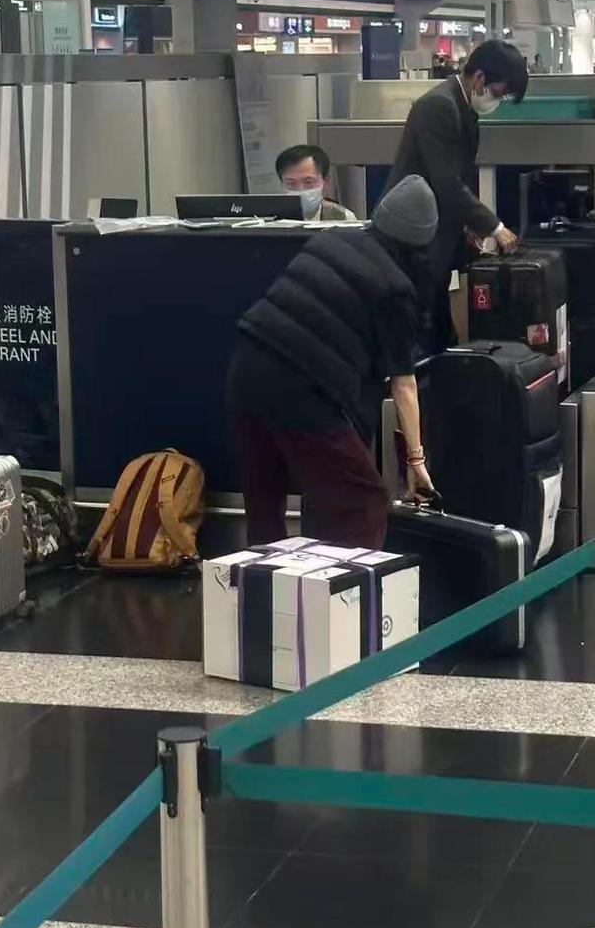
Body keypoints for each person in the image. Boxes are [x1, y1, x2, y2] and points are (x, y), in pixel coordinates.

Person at [227, 175, 438, 548]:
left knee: (265, 504)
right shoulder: (395, 288)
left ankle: (262, 584)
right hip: (300, 390)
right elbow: (403, 384)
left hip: (245, 370)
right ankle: (346, 587)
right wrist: (416, 460)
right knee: (363, 502)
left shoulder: (330, 239)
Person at [388, 38, 530, 353]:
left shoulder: (461, 107)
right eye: (498, 93)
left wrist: (467, 225)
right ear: (479, 78)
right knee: (421, 329)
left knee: (438, 328)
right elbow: (447, 182)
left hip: (435, 231)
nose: (497, 101)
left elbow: (458, 175)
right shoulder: (439, 106)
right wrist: (494, 227)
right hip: (412, 236)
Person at [274, 143, 357, 223]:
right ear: (282, 184)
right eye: (291, 183)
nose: (300, 190)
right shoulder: (271, 217)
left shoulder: (343, 217)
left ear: (325, 181)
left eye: (308, 182)